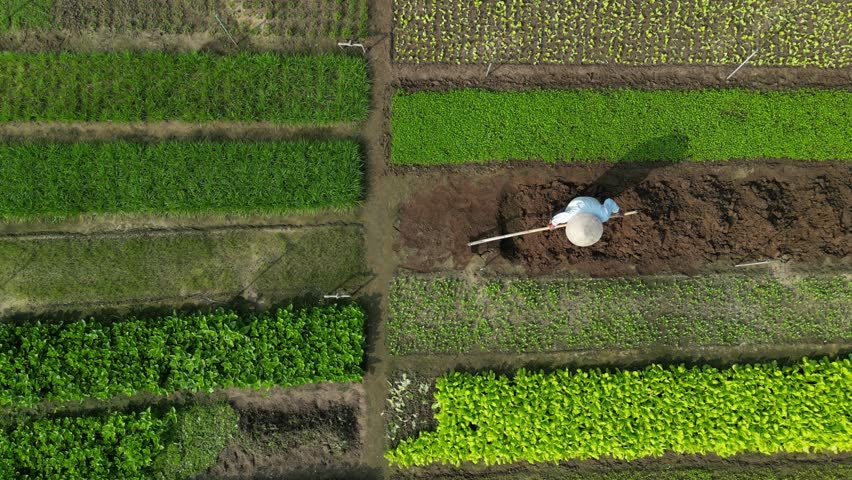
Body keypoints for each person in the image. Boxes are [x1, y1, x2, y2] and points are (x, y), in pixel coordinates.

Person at [548, 197, 620, 247]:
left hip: (589, 201)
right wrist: (553, 223)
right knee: (557, 216)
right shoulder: (571, 215)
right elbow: (609, 201)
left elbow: (609, 201)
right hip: (579, 202)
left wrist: (617, 210)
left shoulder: (604, 215)